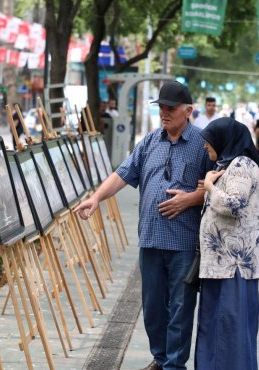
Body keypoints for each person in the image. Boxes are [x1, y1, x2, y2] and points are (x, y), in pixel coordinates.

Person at [75, 81, 213, 370]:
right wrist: (96, 197)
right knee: (152, 309)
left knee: (180, 309)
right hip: (150, 240)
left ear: (188, 111)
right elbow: (122, 174)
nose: (164, 113)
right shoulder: (149, 142)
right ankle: (160, 359)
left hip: (183, 244)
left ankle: (174, 365)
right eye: (161, 107)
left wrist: (190, 199)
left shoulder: (203, 144)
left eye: (170, 108)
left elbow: (217, 187)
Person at [195, 118, 259, 370]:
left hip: (231, 267)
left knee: (228, 331)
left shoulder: (242, 165)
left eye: (209, 141)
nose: (205, 147)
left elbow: (234, 204)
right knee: (222, 329)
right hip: (224, 266)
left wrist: (208, 187)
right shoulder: (232, 164)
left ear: (224, 139)